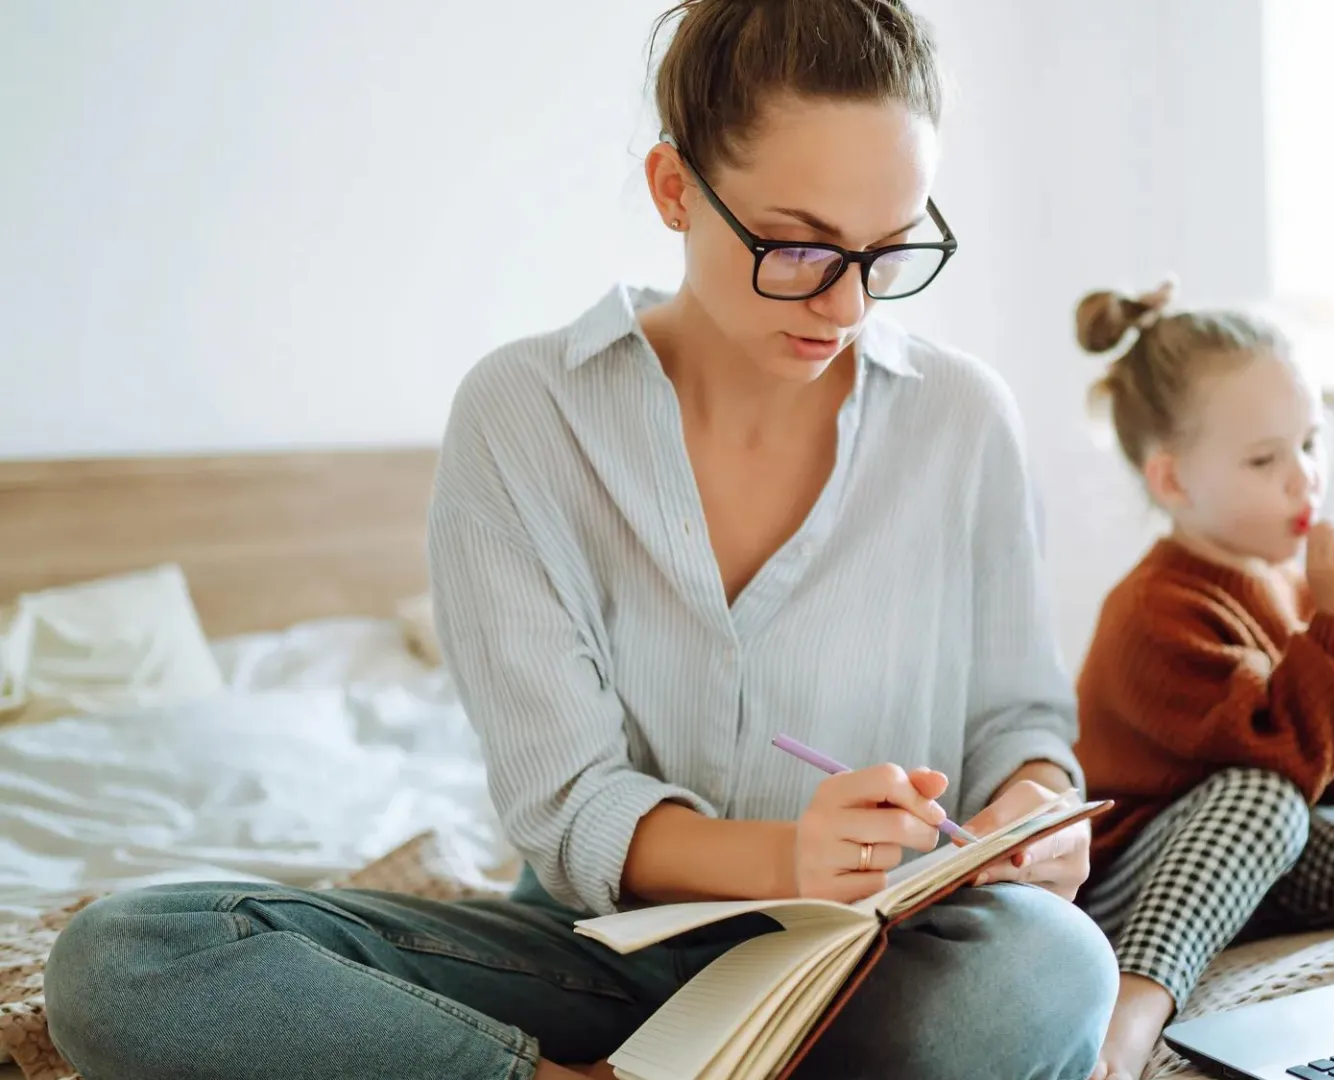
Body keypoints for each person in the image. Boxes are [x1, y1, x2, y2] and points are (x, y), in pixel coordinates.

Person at [42, 3, 1117, 1078]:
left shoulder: (963, 418)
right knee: (131, 956)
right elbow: (568, 807)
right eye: (798, 246)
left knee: (1049, 967)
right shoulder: (525, 414)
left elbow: (1019, 721)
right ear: (674, 189)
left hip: (879, 970)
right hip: (596, 959)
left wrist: (1032, 813)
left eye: (887, 251)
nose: (845, 302)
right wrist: (789, 856)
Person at [1066, 283, 1334, 1080]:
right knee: (1265, 798)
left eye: (1311, 444)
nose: (1304, 479)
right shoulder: (1153, 611)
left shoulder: (1294, 582)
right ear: (1174, 482)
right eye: (1264, 460)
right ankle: (1135, 1006)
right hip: (1147, 873)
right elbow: (1281, 752)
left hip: (1285, 859)